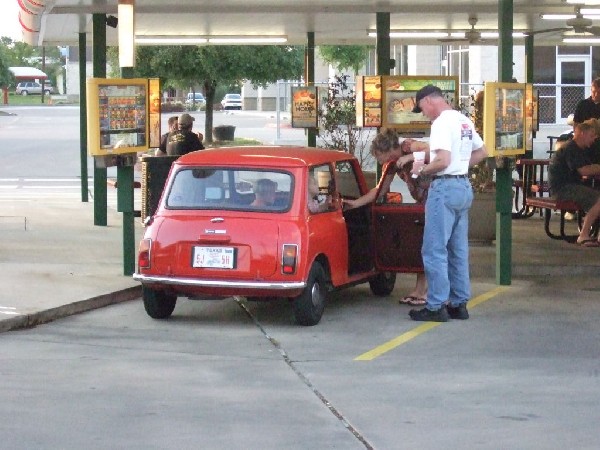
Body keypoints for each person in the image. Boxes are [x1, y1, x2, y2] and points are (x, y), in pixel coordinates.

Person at [405, 85, 488, 322]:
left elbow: (442, 160)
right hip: (462, 186)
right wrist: (461, 166)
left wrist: (421, 170)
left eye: (422, 108)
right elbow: (482, 152)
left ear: (430, 101)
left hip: (444, 188)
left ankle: (436, 305)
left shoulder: (441, 122)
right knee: (458, 249)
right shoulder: (463, 120)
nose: (424, 113)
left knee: (434, 249)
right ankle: (459, 303)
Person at [344, 128, 430, 306]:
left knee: (432, 246)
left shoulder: (407, 146)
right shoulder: (390, 165)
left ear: (387, 150)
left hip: (436, 197)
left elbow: (430, 149)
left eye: (378, 156)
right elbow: (380, 190)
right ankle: (421, 289)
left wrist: (408, 158)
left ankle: (430, 291)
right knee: (424, 244)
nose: (378, 160)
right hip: (424, 202)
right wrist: (356, 203)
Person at [548, 119, 600, 247]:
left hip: (567, 187)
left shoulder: (575, 148)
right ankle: (584, 235)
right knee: (598, 200)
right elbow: (583, 170)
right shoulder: (571, 148)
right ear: (582, 133)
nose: (594, 139)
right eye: (592, 136)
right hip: (562, 189)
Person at [573, 78, 600, 163]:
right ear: (591, 89)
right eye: (594, 91)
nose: (596, 95)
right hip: (584, 140)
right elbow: (576, 125)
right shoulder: (583, 105)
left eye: (599, 92)